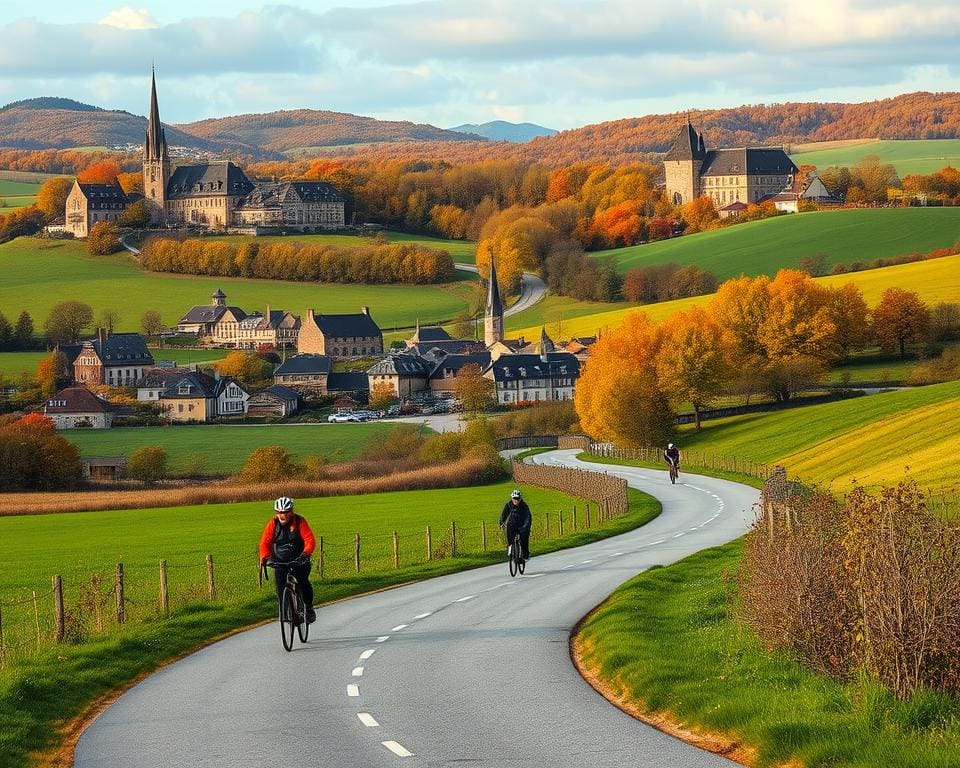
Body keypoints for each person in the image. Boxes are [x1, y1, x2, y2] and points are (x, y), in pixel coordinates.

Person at [259, 496, 317, 623]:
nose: (282, 515)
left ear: (291, 511)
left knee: (303, 582)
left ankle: (309, 608)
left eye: (285, 512)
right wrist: (265, 557)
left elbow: (309, 540)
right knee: (280, 585)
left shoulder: (300, 521)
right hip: (279, 560)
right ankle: (284, 611)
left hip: (299, 559)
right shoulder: (273, 524)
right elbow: (264, 543)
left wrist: (305, 554)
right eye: (279, 512)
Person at [499, 488, 532, 562]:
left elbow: (528, 517)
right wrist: (502, 522)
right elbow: (504, 514)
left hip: (522, 525)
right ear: (512, 498)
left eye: (517, 498)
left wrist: (526, 527)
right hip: (512, 525)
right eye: (514, 498)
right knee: (509, 535)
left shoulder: (524, 506)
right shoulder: (509, 505)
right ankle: (511, 550)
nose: (516, 500)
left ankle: (525, 555)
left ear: (520, 499)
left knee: (524, 540)